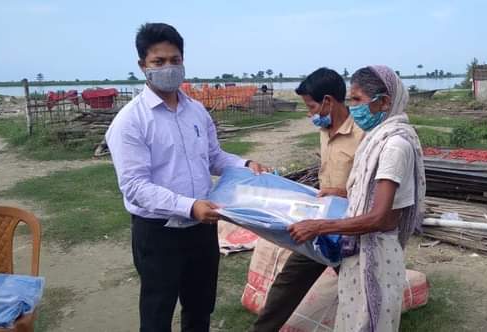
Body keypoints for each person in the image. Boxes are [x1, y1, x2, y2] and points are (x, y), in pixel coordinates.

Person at [105, 23, 268, 332]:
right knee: (157, 311)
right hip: (158, 231)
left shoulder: (196, 111)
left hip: (202, 228)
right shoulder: (130, 121)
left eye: (175, 60)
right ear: (143, 66)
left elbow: (214, 157)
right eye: (159, 62)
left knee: (200, 306)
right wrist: (189, 206)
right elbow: (135, 187)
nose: (169, 67)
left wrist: (246, 164)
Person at [288, 65, 425, 332]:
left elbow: (380, 216)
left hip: (377, 254)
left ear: (383, 102)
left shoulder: (394, 146)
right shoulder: (378, 139)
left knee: (369, 321)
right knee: (353, 319)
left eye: (357, 100)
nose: (352, 107)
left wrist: (318, 226)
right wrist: (341, 192)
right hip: (360, 246)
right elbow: (370, 191)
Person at [251, 68, 365, 332]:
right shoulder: (325, 129)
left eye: (311, 106)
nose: (310, 113)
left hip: (350, 229)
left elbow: (372, 191)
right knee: (288, 282)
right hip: (320, 225)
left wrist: (342, 193)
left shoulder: (363, 136)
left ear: (328, 101)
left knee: (358, 289)